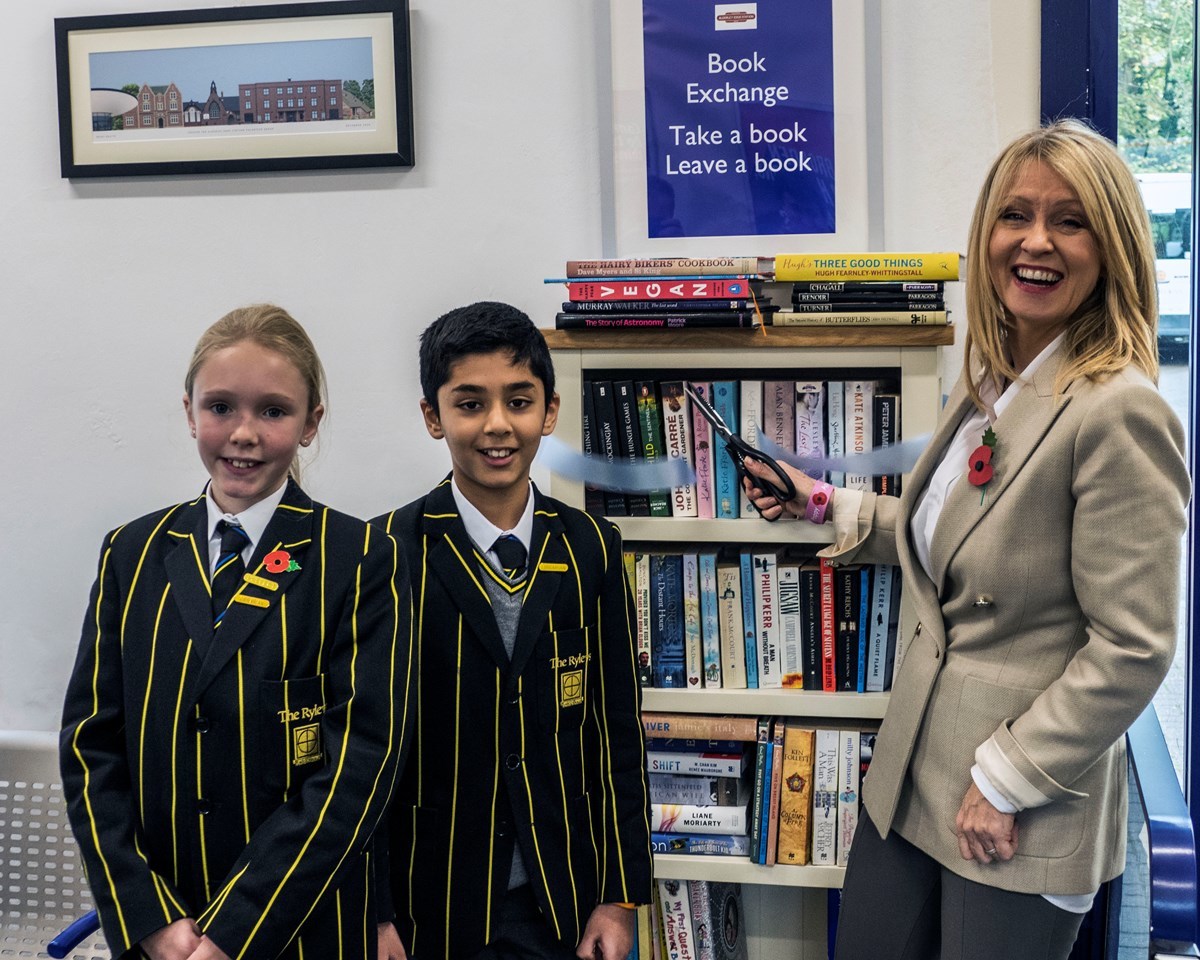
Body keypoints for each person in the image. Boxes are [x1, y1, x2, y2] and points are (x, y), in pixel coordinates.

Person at [745, 120, 1190, 960]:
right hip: (915, 770)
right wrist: (821, 504)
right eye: (1015, 214)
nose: (1036, 241)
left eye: (1071, 220)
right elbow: (960, 543)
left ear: (1114, 246)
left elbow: (1134, 646)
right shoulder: (994, 377)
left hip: (1016, 802)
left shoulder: (1116, 409)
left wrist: (1005, 780)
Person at [60, 304, 414, 960]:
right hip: (161, 933)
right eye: (220, 406)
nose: (243, 433)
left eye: (274, 411)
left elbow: (357, 769)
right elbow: (90, 748)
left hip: (297, 928)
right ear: (189, 412)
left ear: (311, 424)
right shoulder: (132, 554)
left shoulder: (359, 558)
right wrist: (151, 918)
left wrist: (234, 932)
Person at [372, 301, 652, 960]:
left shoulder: (591, 547)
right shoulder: (383, 552)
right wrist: (372, 909)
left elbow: (615, 734)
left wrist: (619, 895)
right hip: (425, 905)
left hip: (557, 903)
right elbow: (364, 759)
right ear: (433, 416)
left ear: (549, 411)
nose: (498, 425)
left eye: (519, 401)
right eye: (470, 404)